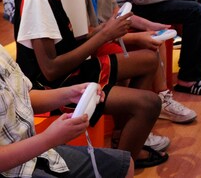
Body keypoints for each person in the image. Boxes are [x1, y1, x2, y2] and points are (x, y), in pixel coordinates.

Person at [0, 0, 167, 168]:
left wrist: (102, 30)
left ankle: (124, 136)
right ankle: (124, 160)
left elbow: (63, 46)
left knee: (149, 60)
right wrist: (104, 36)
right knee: (149, 103)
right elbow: (50, 70)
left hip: (68, 73)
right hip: (55, 86)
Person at [0, 48, 135, 177]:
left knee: (124, 165)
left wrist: (69, 94)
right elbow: (51, 69)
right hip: (13, 165)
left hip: (33, 151)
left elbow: (22, 96)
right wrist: (49, 138)